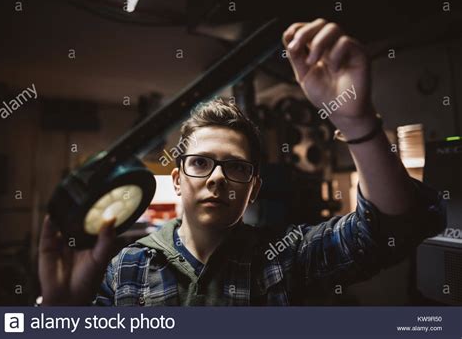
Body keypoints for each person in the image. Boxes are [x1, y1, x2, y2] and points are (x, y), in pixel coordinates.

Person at [38, 19, 446, 306]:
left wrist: (356, 121)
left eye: (235, 167)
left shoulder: (287, 258)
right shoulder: (125, 267)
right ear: (177, 180)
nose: (217, 179)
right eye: (200, 164)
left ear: (254, 187)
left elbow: (390, 228)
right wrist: (57, 317)